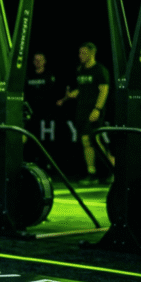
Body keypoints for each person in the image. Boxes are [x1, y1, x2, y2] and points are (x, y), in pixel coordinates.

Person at [55, 42, 112, 185]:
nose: (80, 56)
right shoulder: (80, 70)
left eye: (84, 53)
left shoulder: (100, 70)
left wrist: (97, 109)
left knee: (91, 141)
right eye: (80, 53)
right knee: (89, 142)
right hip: (81, 110)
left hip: (93, 111)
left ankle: (98, 172)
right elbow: (81, 89)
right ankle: (98, 172)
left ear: (92, 54)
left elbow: (104, 90)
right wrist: (66, 98)